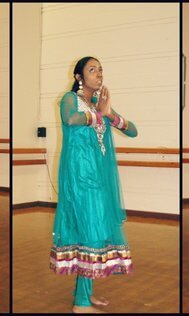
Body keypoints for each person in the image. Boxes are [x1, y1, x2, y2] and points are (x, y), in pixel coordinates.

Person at [49, 57, 138, 313]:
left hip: (98, 178)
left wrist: (109, 114)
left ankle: (85, 293)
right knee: (91, 231)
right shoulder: (69, 99)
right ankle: (81, 303)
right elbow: (71, 119)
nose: (98, 73)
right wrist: (99, 113)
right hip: (79, 177)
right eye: (92, 69)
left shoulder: (99, 104)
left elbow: (133, 131)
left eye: (100, 69)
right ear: (79, 77)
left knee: (94, 232)